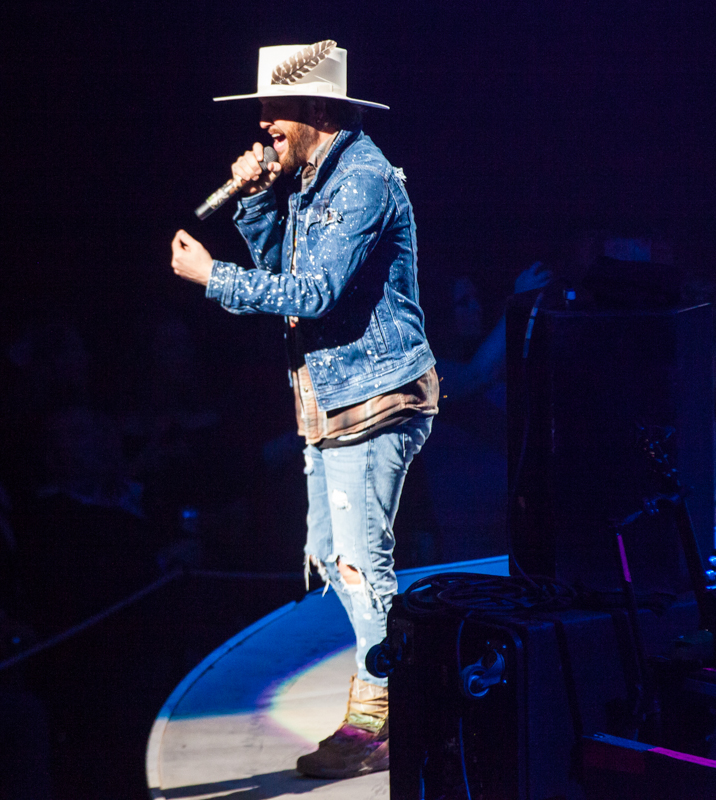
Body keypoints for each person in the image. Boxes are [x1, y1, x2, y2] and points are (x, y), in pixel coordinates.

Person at [169, 41, 437, 779]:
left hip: (378, 397)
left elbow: (312, 294)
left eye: (274, 113)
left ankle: (380, 716)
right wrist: (254, 199)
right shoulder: (315, 179)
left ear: (316, 111)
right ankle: (399, 684)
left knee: (360, 562)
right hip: (329, 402)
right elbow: (284, 272)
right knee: (330, 554)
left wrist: (208, 276)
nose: (262, 126)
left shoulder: (363, 181)